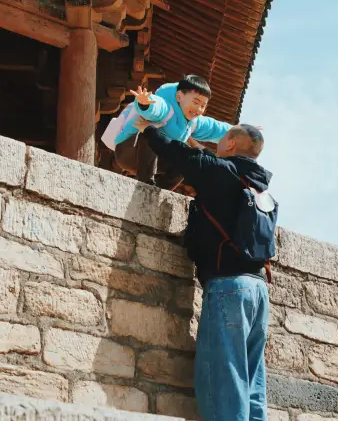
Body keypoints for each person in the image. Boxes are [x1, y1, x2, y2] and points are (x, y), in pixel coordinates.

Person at [137, 119, 273, 421]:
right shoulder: (260, 188)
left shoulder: (223, 173)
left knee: (223, 376)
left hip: (228, 288)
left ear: (232, 144)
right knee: (252, 381)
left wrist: (149, 128)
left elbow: (181, 156)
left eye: (223, 137)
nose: (219, 142)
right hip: (259, 290)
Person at [104, 76, 233, 186]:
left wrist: (240, 133)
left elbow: (215, 128)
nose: (199, 109)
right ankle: (146, 181)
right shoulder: (167, 107)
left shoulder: (193, 122)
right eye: (195, 102)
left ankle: (160, 189)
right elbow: (157, 107)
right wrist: (145, 104)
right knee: (150, 133)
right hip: (129, 150)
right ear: (179, 97)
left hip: (156, 160)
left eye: (203, 106)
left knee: (188, 159)